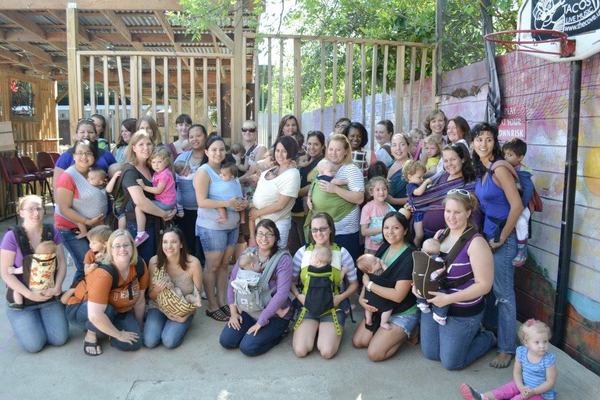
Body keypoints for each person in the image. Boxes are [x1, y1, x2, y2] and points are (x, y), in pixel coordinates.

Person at [417, 190, 496, 370]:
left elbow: (485, 285)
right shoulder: (440, 235)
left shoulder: (476, 243)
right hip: (435, 305)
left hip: (462, 310)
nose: (451, 217)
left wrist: (448, 299)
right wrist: (418, 286)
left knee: (451, 363)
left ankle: (487, 337)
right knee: (431, 353)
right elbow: (426, 267)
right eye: (448, 211)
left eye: (457, 212)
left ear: (468, 212)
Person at [472, 122, 524, 369]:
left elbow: (517, 206)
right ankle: (495, 335)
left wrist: (503, 237)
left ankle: (506, 349)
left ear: (495, 143)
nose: (483, 144)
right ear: (473, 143)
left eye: (489, 139)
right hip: (489, 237)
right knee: (491, 290)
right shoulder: (482, 169)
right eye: (479, 139)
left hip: (504, 238)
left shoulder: (500, 168)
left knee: (504, 294)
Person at [0, 195, 69, 353]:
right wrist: (29, 294)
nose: (36, 213)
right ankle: (22, 321)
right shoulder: (11, 236)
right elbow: (5, 273)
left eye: (39, 208)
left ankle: (37, 321)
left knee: (59, 339)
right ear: (21, 212)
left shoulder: (52, 232)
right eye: (30, 209)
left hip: (48, 295)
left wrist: (57, 287)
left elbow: (62, 263)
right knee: (34, 345)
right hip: (23, 301)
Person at [66, 229, 147, 356]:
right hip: (82, 308)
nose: (122, 249)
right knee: (107, 310)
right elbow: (94, 314)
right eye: (117, 246)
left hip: (119, 310)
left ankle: (107, 330)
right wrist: (119, 334)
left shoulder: (139, 265)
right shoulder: (104, 273)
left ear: (133, 247)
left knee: (135, 343)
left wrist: (139, 325)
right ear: (110, 249)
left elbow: (140, 300)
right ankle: (91, 334)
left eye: (126, 245)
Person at [194, 135, 248, 321]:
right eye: (214, 149)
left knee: (225, 264)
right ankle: (212, 305)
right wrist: (227, 203)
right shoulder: (204, 172)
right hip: (212, 227)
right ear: (207, 152)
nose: (218, 153)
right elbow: (201, 201)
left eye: (221, 149)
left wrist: (241, 203)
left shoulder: (228, 170)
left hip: (232, 226)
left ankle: (223, 302)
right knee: (213, 265)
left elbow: (235, 193)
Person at [219, 220, 292, 356]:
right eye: (260, 234)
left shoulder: (283, 259)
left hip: (273, 315)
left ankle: (280, 333)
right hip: (250, 310)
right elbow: (233, 282)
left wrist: (261, 322)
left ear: (276, 237)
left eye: (269, 234)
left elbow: (282, 294)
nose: (264, 238)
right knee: (227, 341)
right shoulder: (248, 254)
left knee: (248, 347)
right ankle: (252, 332)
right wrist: (233, 313)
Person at [352, 212, 418, 362]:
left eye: (396, 228)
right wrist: (362, 299)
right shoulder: (384, 247)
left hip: (402, 310)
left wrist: (369, 285)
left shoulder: (410, 256)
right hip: (382, 307)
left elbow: (398, 296)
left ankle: (408, 332)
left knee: (375, 354)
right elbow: (369, 275)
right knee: (359, 342)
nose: (390, 232)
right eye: (386, 227)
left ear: (405, 230)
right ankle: (385, 334)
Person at [291, 212, 358, 359]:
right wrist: (298, 296)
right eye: (314, 229)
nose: (319, 233)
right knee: (301, 351)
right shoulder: (302, 252)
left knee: (327, 352)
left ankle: (330, 325)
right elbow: (291, 281)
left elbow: (354, 285)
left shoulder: (342, 252)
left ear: (331, 229)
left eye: (323, 229)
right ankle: (315, 329)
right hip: (308, 306)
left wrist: (340, 298)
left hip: (333, 307)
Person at [460, 319, 557, 400]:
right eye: (537, 342)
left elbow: (550, 382)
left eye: (545, 341)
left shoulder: (548, 360)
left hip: (540, 393)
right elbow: (517, 373)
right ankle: (482, 397)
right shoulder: (522, 352)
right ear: (526, 342)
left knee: (520, 398)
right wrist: (521, 387)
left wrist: (534, 391)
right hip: (522, 384)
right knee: (506, 390)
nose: (542, 346)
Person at [55, 140, 107, 284]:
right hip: (70, 228)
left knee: (95, 263)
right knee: (84, 266)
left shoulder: (95, 174)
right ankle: (75, 295)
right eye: (80, 153)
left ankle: (87, 294)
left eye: (88, 153)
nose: (84, 156)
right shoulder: (68, 176)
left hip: (92, 228)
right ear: (73, 156)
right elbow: (64, 208)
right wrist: (87, 221)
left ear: (94, 156)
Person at [120, 131, 176, 263]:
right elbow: (140, 202)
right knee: (142, 263)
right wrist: (164, 214)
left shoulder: (154, 168)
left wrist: (172, 209)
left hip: (157, 223)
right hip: (138, 225)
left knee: (156, 263)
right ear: (133, 147)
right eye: (141, 144)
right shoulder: (130, 171)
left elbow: (168, 191)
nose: (146, 147)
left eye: (149, 144)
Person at [308, 134, 365, 261]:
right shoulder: (324, 166)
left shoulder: (351, 169)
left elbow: (359, 198)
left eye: (338, 150)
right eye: (331, 149)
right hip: (324, 231)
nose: (333, 153)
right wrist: (309, 198)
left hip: (344, 231)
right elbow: (314, 184)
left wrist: (335, 189)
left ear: (346, 151)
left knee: (345, 266)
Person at [144, 227, 203, 349]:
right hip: (158, 306)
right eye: (165, 242)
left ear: (181, 244)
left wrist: (185, 317)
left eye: (174, 242)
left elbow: (197, 298)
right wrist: (157, 289)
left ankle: (182, 324)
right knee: (150, 341)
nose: (169, 246)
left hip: (182, 309)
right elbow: (151, 296)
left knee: (169, 341)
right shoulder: (154, 262)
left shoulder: (193, 263)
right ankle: (159, 322)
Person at [249, 135, 300, 249]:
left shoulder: (293, 174)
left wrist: (258, 213)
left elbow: (280, 205)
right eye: (277, 150)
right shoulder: (269, 170)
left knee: (275, 257)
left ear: (291, 152)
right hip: (259, 224)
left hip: (276, 225)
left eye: (284, 151)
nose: (280, 154)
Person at [416, 144, 477, 238]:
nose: (449, 164)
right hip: (423, 232)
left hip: (446, 236)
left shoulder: (469, 184)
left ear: (463, 159)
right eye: (446, 161)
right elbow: (429, 198)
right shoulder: (442, 176)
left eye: (453, 159)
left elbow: (473, 215)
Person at [288, 131, 326, 255]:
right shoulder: (304, 159)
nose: (312, 147)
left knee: (306, 247)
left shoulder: (323, 163)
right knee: (294, 248)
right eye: (309, 144)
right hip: (294, 210)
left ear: (322, 146)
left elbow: (313, 185)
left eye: (316, 144)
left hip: (307, 212)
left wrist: (292, 193)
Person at [174, 124, 208, 262]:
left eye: (198, 135)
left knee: (203, 249)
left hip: (206, 211)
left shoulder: (210, 157)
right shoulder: (182, 158)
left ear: (205, 136)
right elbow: (173, 181)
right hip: (185, 212)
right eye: (191, 136)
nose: (195, 139)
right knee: (187, 248)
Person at [502, 138, 535, 267]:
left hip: (522, 204)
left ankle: (522, 251)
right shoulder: (508, 168)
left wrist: (522, 205)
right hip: (513, 203)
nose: (506, 157)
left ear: (520, 157)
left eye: (510, 155)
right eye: (505, 154)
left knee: (521, 222)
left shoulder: (523, 172)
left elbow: (528, 189)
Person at [53, 118, 117, 185]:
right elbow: (57, 184)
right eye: (82, 132)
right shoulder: (66, 156)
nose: (86, 135)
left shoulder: (106, 155)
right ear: (77, 135)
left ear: (96, 135)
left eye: (90, 132)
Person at [134, 147, 177, 246]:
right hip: (167, 202)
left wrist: (143, 187)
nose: (156, 165)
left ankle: (141, 233)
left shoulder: (164, 175)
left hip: (165, 203)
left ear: (166, 162)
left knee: (139, 207)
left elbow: (158, 190)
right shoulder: (159, 173)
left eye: (159, 162)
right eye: (153, 162)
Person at [61, 224, 112, 304]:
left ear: (105, 244)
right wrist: (92, 267)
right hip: (86, 279)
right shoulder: (90, 254)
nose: (90, 245)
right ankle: (70, 293)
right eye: (90, 241)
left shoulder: (111, 253)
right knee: (64, 300)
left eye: (94, 243)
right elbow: (85, 271)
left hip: (100, 281)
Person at [414, 237, 449, 325]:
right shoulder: (436, 261)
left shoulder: (419, 258)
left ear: (438, 253)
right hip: (430, 285)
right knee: (444, 293)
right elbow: (439, 272)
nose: (431, 256)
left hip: (424, 284)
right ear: (422, 250)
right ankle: (439, 315)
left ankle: (422, 304)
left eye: (434, 254)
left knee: (421, 288)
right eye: (429, 253)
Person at [355, 253, 394, 330]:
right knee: (388, 309)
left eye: (376, 258)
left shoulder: (367, 275)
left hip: (369, 299)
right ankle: (383, 322)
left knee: (368, 309)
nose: (378, 260)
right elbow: (388, 273)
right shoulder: (380, 272)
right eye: (375, 262)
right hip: (380, 300)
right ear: (370, 270)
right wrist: (383, 265)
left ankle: (368, 319)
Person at [360, 176, 396, 254]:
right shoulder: (367, 208)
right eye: (378, 189)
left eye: (384, 189)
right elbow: (364, 231)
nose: (381, 192)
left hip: (387, 246)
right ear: (371, 192)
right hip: (372, 249)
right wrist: (383, 228)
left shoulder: (390, 208)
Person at [74, 167, 109, 239]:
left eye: (92, 179)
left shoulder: (91, 190)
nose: (88, 180)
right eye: (88, 178)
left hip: (93, 213)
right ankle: (103, 233)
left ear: (100, 182)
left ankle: (84, 232)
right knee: (100, 223)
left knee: (76, 215)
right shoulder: (103, 188)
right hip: (103, 213)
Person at [403, 160, 431, 247]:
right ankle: (415, 248)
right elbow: (418, 192)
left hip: (424, 210)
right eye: (419, 177)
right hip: (418, 213)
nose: (422, 179)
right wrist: (425, 183)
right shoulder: (410, 186)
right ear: (410, 176)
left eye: (423, 177)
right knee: (419, 235)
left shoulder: (418, 183)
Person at [387, 133, 412, 208]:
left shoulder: (414, 167)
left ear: (408, 147)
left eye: (402, 144)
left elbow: (418, 198)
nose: (398, 148)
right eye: (394, 145)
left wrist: (394, 201)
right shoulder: (389, 165)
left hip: (403, 211)